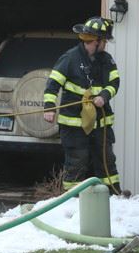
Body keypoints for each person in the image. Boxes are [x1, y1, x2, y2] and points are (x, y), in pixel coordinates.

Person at [43, 16, 121, 194]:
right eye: (104, 41)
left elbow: (115, 83)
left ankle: (114, 199)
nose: (106, 45)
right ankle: (72, 202)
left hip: (100, 125)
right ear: (96, 41)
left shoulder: (107, 60)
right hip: (73, 126)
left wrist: (104, 95)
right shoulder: (69, 58)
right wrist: (49, 107)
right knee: (77, 163)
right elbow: (53, 84)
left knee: (106, 162)